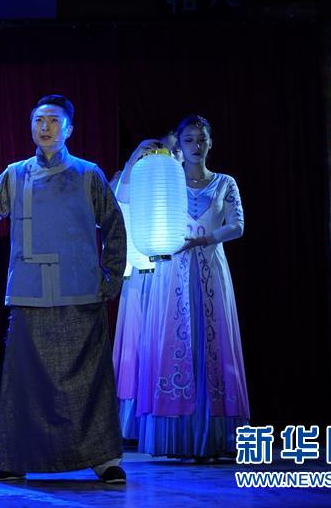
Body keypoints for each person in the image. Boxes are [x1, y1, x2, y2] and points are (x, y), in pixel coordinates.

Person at [0, 94, 128, 484]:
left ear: (69, 129)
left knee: (89, 381)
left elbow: (114, 224)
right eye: (39, 120)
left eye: (54, 121)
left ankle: (103, 459)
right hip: (30, 291)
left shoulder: (88, 174)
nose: (45, 127)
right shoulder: (16, 175)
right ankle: (14, 458)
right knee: (23, 381)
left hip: (79, 290)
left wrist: (111, 277)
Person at [134, 114, 249, 460]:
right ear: (179, 145)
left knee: (214, 340)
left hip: (211, 267)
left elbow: (237, 225)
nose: (196, 146)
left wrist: (205, 240)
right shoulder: (167, 182)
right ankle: (178, 435)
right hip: (174, 272)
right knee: (175, 340)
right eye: (189, 140)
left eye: (201, 139)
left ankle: (215, 434)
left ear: (210, 143)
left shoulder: (225, 182)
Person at [111, 130, 180, 439]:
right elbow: (117, 207)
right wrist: (132, 162)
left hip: (174, 275)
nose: (169, 155)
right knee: (137, 345)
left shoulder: (182, 184)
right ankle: (136, 420)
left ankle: (171, 414)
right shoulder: (136, 178)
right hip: (141, 274)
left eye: (175, 150)